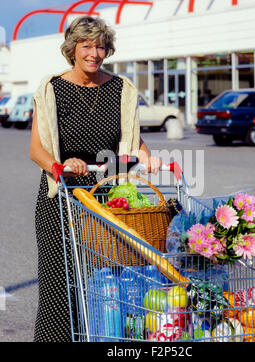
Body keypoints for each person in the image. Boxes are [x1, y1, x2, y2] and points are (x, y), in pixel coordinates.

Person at [30, 15, 162, 342]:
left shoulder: (121, 88)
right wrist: (59, 165)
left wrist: (146, 154)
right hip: (61, 197)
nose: (94, 53)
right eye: (86, 45)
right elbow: (36, 149)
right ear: (72, 49)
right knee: (60, 283)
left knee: (106, 280)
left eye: (101, 46)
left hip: (108, 197)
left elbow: (131, 139)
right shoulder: (52, 88)